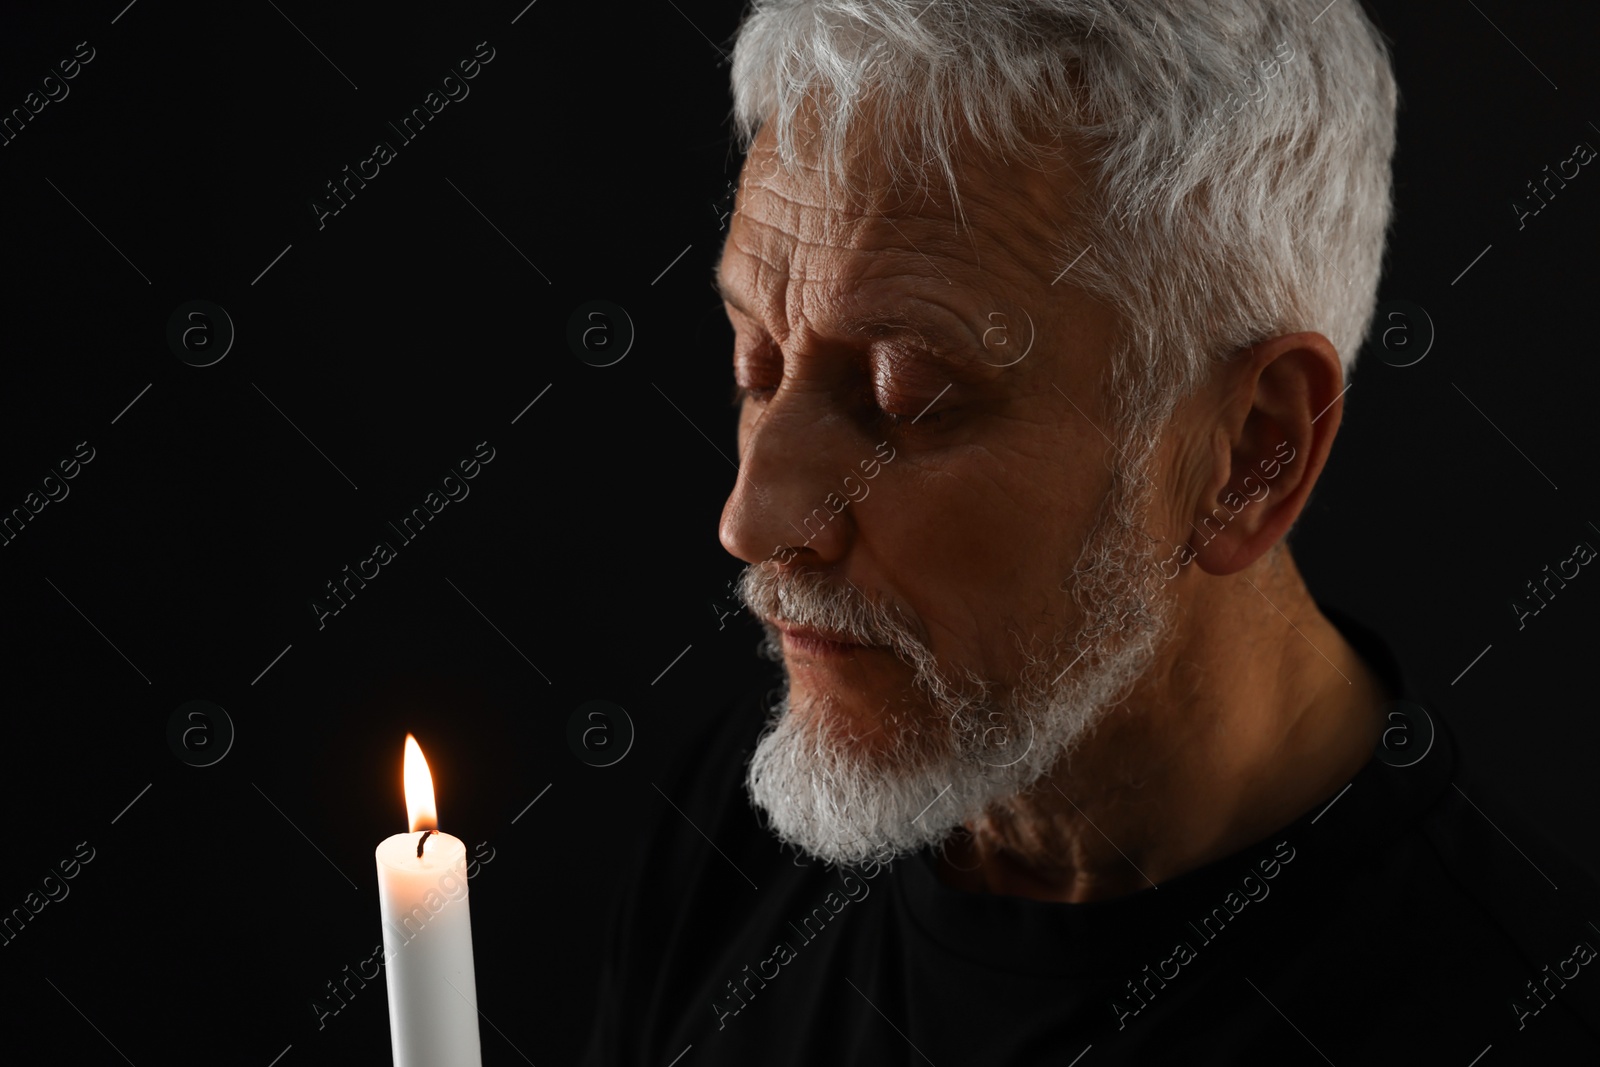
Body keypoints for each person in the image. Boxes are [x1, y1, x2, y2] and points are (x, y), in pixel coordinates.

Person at [583, 1, 1600, 1062]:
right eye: (758, 364)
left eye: (906, 398)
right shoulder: (739, 829)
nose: (751, 521)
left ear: (1249, 452)